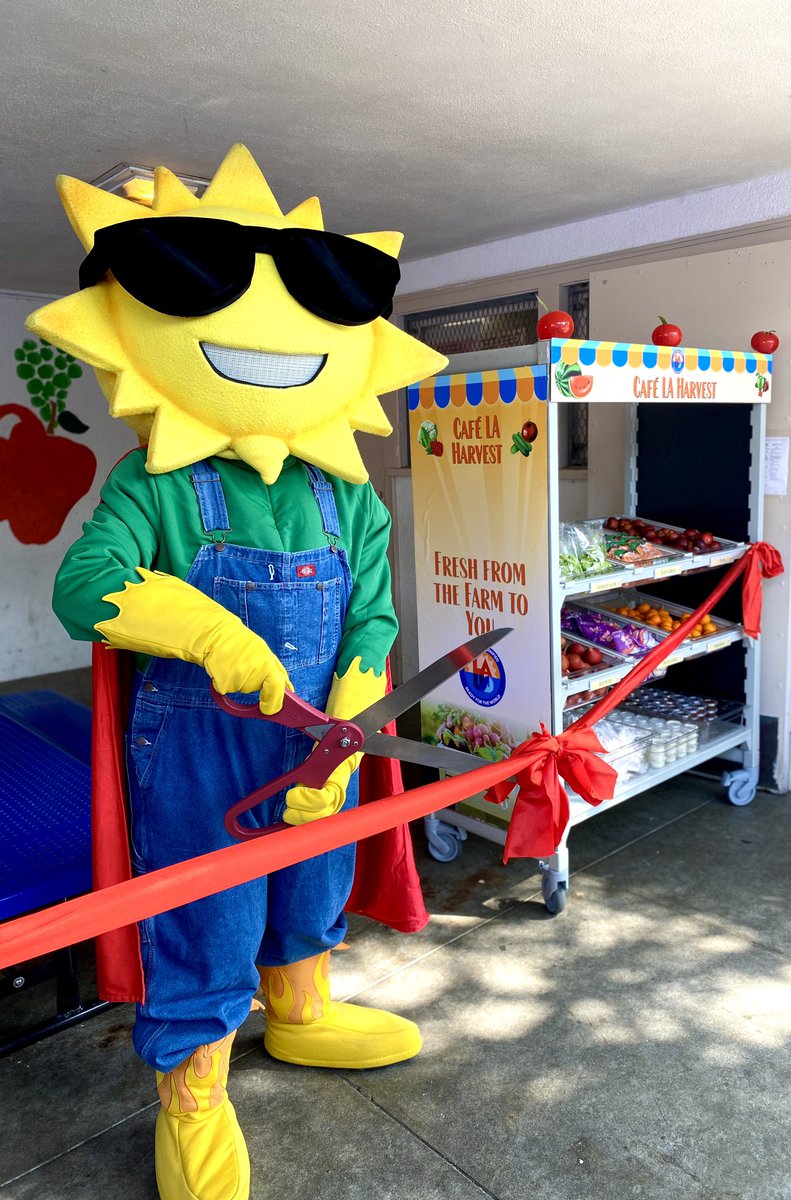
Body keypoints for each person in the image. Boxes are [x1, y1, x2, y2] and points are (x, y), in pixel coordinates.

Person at [28, 143, 446, 1200]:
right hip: (196, 750)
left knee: (313, 882)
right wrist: (208, 631)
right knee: (206, 912)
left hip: (317, 744)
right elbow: (84, 588)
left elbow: (374, 613)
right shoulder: (154, 482)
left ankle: (302, 1014)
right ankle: (195, 1094)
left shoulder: (342, 494)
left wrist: (353, 713)